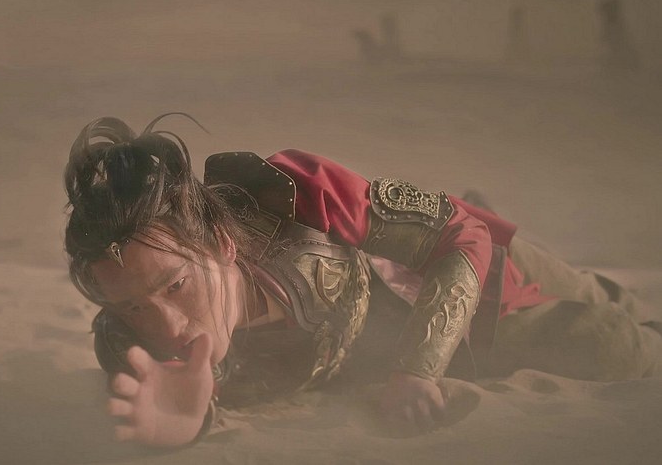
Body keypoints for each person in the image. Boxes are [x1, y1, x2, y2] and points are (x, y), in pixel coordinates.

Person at [63, 114, 662, 447]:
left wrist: (417, 371)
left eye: (175, 286)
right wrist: (188, 429)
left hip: (453, 275)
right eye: (132, 306)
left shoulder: (290, 195)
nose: (166, 327)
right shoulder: (131, 351)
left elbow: (460, 236)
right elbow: (172, 413)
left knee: (600, 297)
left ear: (221, 244)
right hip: (438, 347)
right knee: (617, 346)